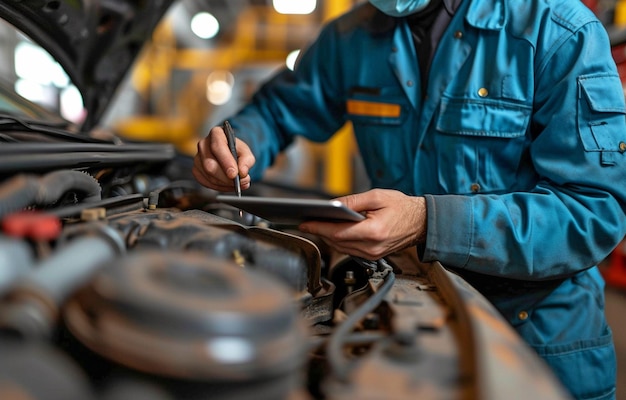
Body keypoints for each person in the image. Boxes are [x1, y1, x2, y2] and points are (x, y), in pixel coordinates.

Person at [192, 0, 626, 398]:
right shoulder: (352, 37)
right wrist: (239, 143)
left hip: (537, 347)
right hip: (407, 330)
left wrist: (425, 221)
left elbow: (593, 211)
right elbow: (275, 110)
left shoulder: (557, 30)